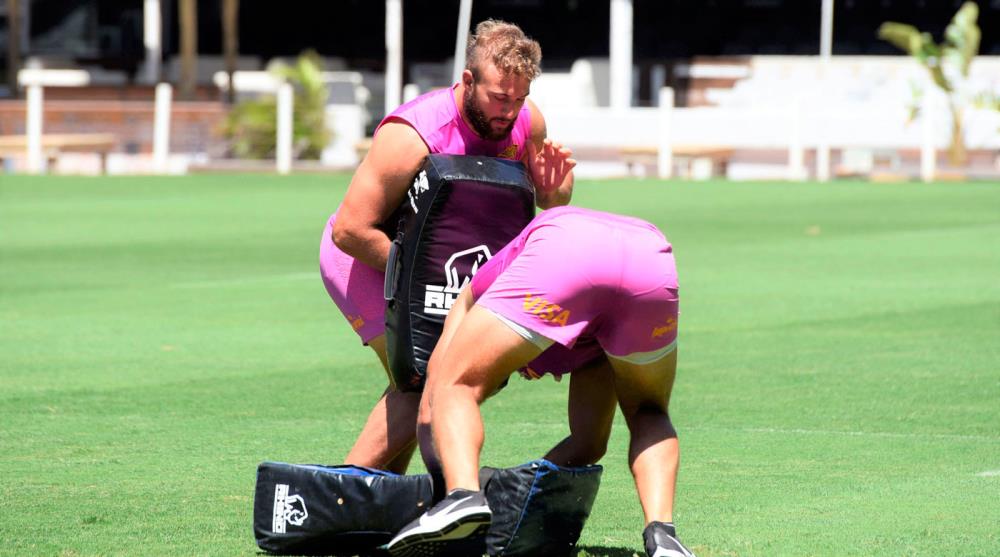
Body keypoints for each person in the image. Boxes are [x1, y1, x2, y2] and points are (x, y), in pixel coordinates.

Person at [320, 19, 577, 474]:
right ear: (468, 81)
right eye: (499, 98)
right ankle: (342, 497)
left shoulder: (526, 121)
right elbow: (351, 230)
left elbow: (548, 204)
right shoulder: (413, 135)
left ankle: (383, 498)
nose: (509, 112)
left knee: (435, 380)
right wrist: (428, 283)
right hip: (367, 259)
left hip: (450, 269)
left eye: (519, 99)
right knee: (422, 380)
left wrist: (555, 191)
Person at [386, 206, 696, 557]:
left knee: (455, 384)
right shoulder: (595, 344)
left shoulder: (479, 292)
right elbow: (588, 444)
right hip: (649, 259)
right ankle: (663, 535)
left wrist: (446, 484)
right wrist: (516, 492)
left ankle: (461, 498)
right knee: (648, 410)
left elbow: (432, 399)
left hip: (567, 248)